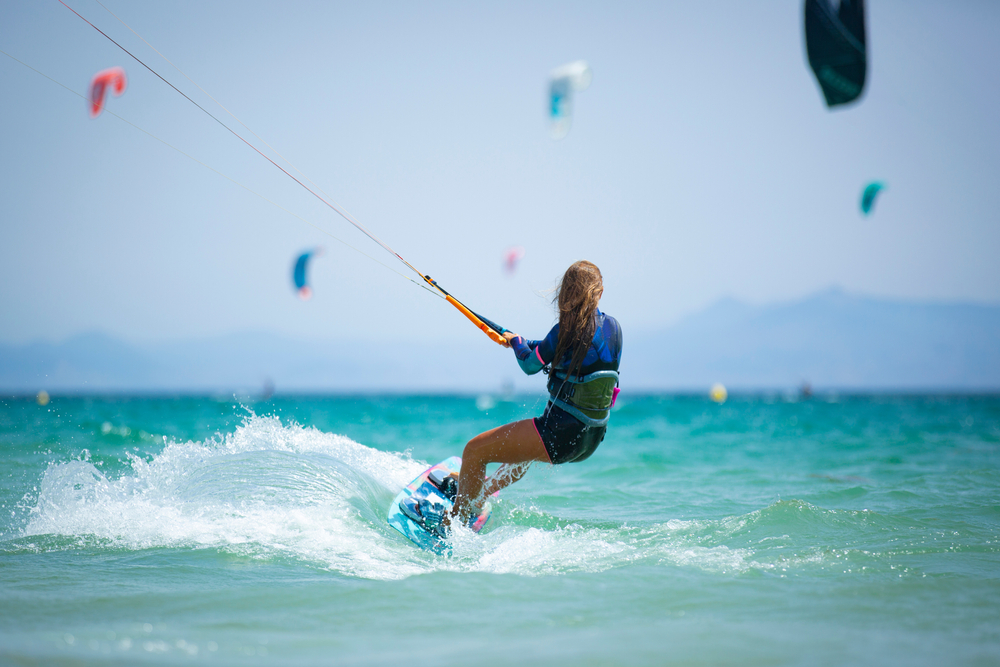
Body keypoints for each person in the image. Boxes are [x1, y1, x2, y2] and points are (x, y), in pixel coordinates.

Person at [450, 260, 623, 524]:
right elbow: (575, 354)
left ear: (565, 293)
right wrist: (521, 341)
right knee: (526, 451)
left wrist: (519, 345)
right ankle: (479, 494)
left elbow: (530, 365)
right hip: (591, 439)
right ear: (599, 292)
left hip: (559, 435)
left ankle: (454, 523)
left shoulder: (566, 329)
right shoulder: (615, 329)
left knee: (474, 451)